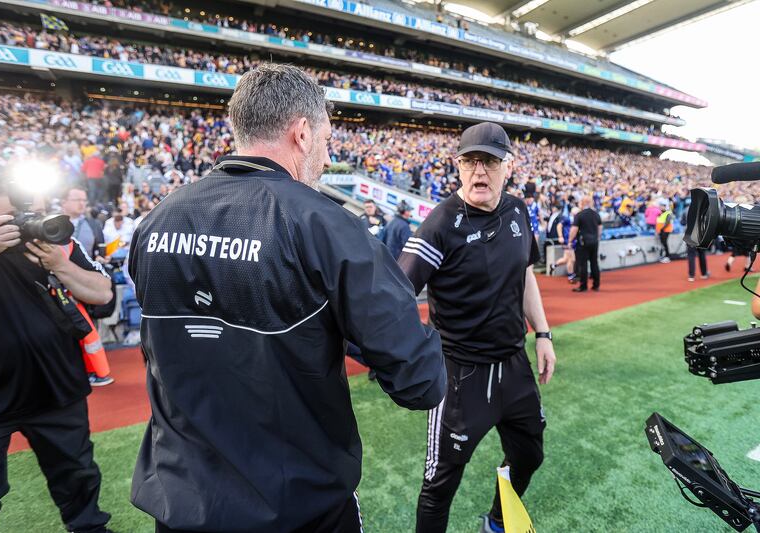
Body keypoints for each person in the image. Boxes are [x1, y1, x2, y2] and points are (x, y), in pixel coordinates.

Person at [128, 64, 447, 533]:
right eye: (325, 139)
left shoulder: (157, 220)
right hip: (297, 507)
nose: (325, 152)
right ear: (301, 133)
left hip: (183, 504)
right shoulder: (327, 225)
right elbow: (420, 381)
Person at [398, 122, 556, 533]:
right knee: (439, 486)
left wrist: (543, 333)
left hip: (514, 366)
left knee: (529, 456)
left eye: (488, 161)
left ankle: (498, 521)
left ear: (508, 166)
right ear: (458, 165)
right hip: (459, 377)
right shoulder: (440, 224)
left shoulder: (519, 210)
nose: (479, 172)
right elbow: (395, 294)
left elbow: (525, 273)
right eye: (470, 161)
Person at [0, 175, 113, 533]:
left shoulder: (60, 245)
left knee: (79, 484)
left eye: (37, 212)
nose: (29, 222)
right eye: (14, 216)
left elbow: (102, 293)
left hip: (58, 388)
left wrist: (58, 265)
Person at [60, 186, 115, 387]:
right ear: (64, 201)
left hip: (88, 279)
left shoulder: (93, 224)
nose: (82, 203)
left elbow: (99, 249)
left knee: (90, 328)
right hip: (61, 284)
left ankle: (94, 369)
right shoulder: (51, 224)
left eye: (84, 199)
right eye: (77, 199)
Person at [569, 196, 602, 292]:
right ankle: (596, 285)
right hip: (594, 241)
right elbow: (600, 228)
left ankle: (583, 286)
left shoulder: (580, 215)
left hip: (583, 242)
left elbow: (574, 229)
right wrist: (597, 238)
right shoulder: (596, 214)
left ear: (582, 203)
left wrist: (570, 240)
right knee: (594, 263)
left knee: (583, 264)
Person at [656, 199, 674, 263]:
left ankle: (667, 256)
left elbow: (667, 222)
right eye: (660, 206)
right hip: (661, 231)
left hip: (665, 230)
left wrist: (661, 229)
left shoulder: (668, 213)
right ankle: (664, 256)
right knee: (663, 243)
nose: (661, 207)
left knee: (664, 243)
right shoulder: (660, 213)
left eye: (662, 206)